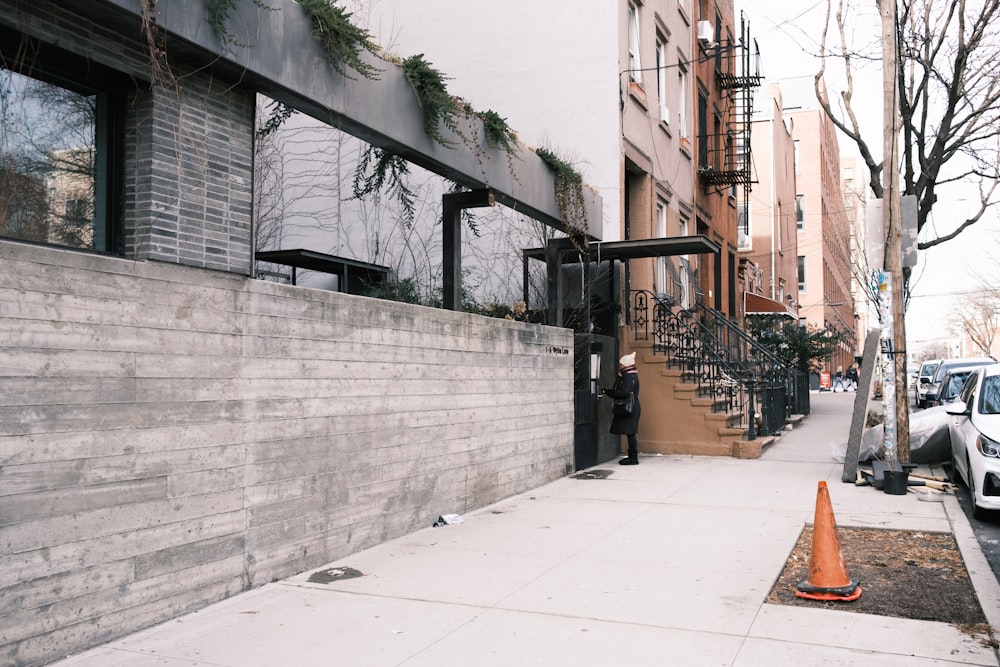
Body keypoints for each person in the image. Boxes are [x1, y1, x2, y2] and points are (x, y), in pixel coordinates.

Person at [603, 352, 641, 465]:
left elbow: (624, 393)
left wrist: (609, 392)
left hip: (629, 407)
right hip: (633, 406)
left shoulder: (628, 376)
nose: (620, 367)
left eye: (621, 365)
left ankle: (633, 458)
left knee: (630, 433)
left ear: (626, 365)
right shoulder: (633, 374)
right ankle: (632, 457)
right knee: (630, 432)